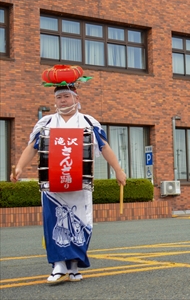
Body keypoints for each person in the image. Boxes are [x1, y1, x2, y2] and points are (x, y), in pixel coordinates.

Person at [10, 68, 126, 284]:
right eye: (59, 97)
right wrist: (19, 167)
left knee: (80, 223)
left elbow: (105, 147)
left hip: (80, 184)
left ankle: (73, 266)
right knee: (55, 223)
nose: (62, 101)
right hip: (53, 185)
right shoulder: (45, 123)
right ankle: (58, 265)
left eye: (66, 96)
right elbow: (32, 148)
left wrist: (118, 170)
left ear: (76, 98)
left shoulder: (89, 123)